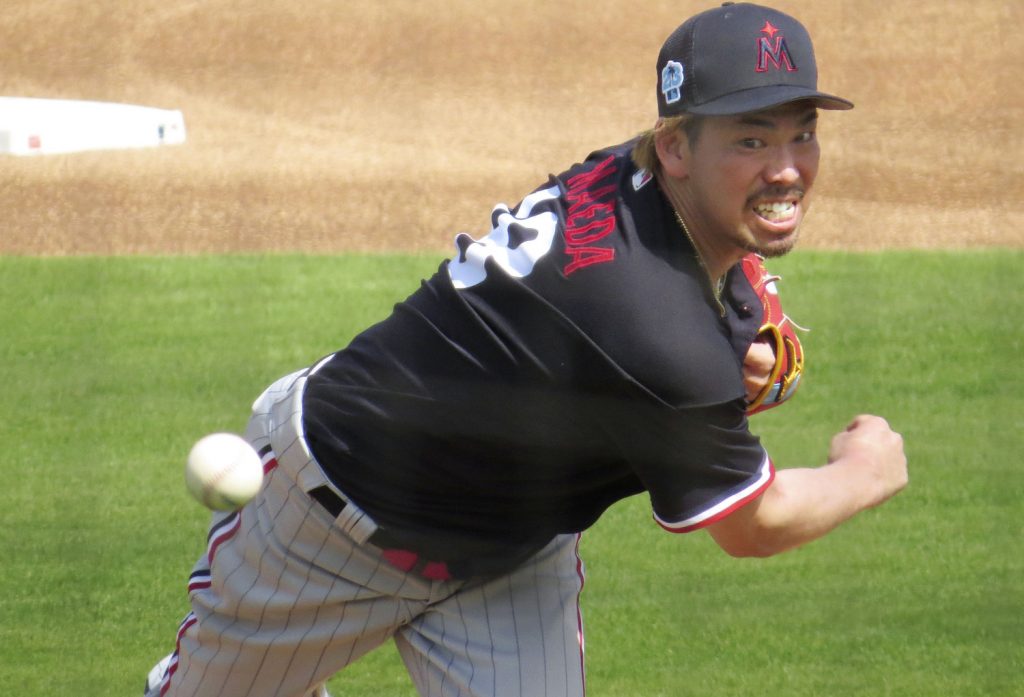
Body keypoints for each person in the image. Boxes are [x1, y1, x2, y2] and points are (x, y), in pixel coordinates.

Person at [144, 3, 908, 696]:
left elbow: (714, 266)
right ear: (677, 146)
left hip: (508, 559)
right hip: (330, 521)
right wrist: (865, 469)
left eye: (801, 132)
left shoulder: (632, 169)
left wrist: (750, 323)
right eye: (751, 139)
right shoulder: (654, 331)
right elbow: (756, 523)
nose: (786, 167)